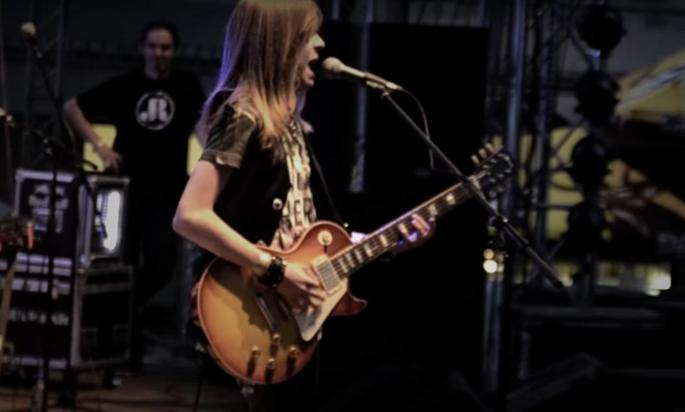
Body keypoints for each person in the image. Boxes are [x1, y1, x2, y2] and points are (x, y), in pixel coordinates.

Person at [172, 1, 433, 410]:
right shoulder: (243, 116)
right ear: (280, 44)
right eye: (308, 35)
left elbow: (307, 233)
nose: (320, 44)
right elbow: (190, 215)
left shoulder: (290, 124)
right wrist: (277, 270)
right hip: (255, 305)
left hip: (295, 314)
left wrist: (390, 242)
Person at [63, 20, 205, 372]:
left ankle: (128, 308)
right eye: (153, 46)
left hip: (168, 191)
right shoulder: (126, 84)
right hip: (126, 190)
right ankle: (124, 353)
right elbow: (71, 108)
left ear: (174, 51)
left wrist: (208, 158)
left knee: (161, 265)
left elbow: (203, 123)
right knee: (121, 265)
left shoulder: (187, 85)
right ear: (143, 48)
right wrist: (99, 146)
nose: (159, 53)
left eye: (166, 47)